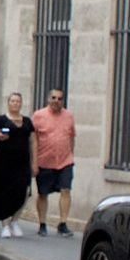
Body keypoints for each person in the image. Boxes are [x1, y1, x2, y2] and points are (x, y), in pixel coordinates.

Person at [0, 91, 33, 231]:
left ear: (21, 104)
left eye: (18, 101)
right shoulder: (0, 120)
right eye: (13, 101)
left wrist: (34, 163)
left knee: (25, 191)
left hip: (22, 161)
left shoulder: (28, 122)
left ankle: (15, 219)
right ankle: (5, 224)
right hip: (3, 161)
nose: (15, 104)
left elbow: (33, 142)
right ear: (8, 103)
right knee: (4, 191)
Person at [32, 87, 78, 231]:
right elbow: (33, 139)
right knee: (43, 193)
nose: (56, 101)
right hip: (44, 160)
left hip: (65, 160)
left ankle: (63, 222)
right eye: (54, 98)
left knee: (66, 190)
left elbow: (71, 136)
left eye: (60, 98)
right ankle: (42, 223)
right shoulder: (39, 116)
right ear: (48, 99)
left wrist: (70, 154)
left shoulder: (69, 116)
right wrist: (34, 162)